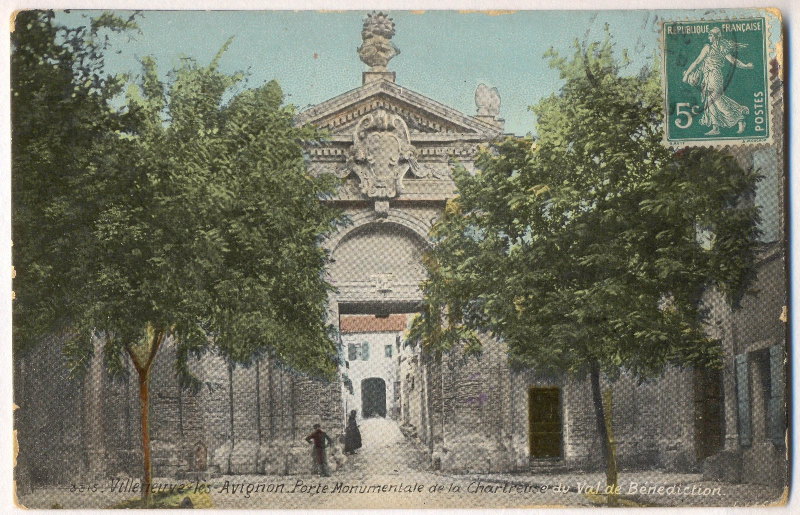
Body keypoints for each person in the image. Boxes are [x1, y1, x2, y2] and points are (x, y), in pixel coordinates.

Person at [682, 27, 754, 136]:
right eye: (709, 35)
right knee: (710, 101)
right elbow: (697, 62)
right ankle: (716, 127)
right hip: (707, 77)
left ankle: (740, 117)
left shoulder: (719, 48)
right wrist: (687, 74)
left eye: (711, 35)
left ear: (716, 37)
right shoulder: (709, 47)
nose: (709, 37)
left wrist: (745, 66)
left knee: (717, 100)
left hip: (715, 76)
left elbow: (733, 60)